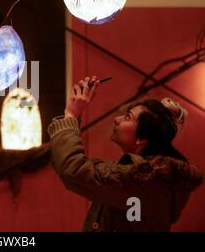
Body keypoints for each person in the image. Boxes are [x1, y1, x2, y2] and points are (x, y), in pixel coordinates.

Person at [47, 76, 203, 232]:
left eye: (128, 117)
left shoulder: (144, 181)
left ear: (141, 138)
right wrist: (72, 118)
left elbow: (73, 170)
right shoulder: (138, 176)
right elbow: (68, 165)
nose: (116, 119)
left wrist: (72, 115)